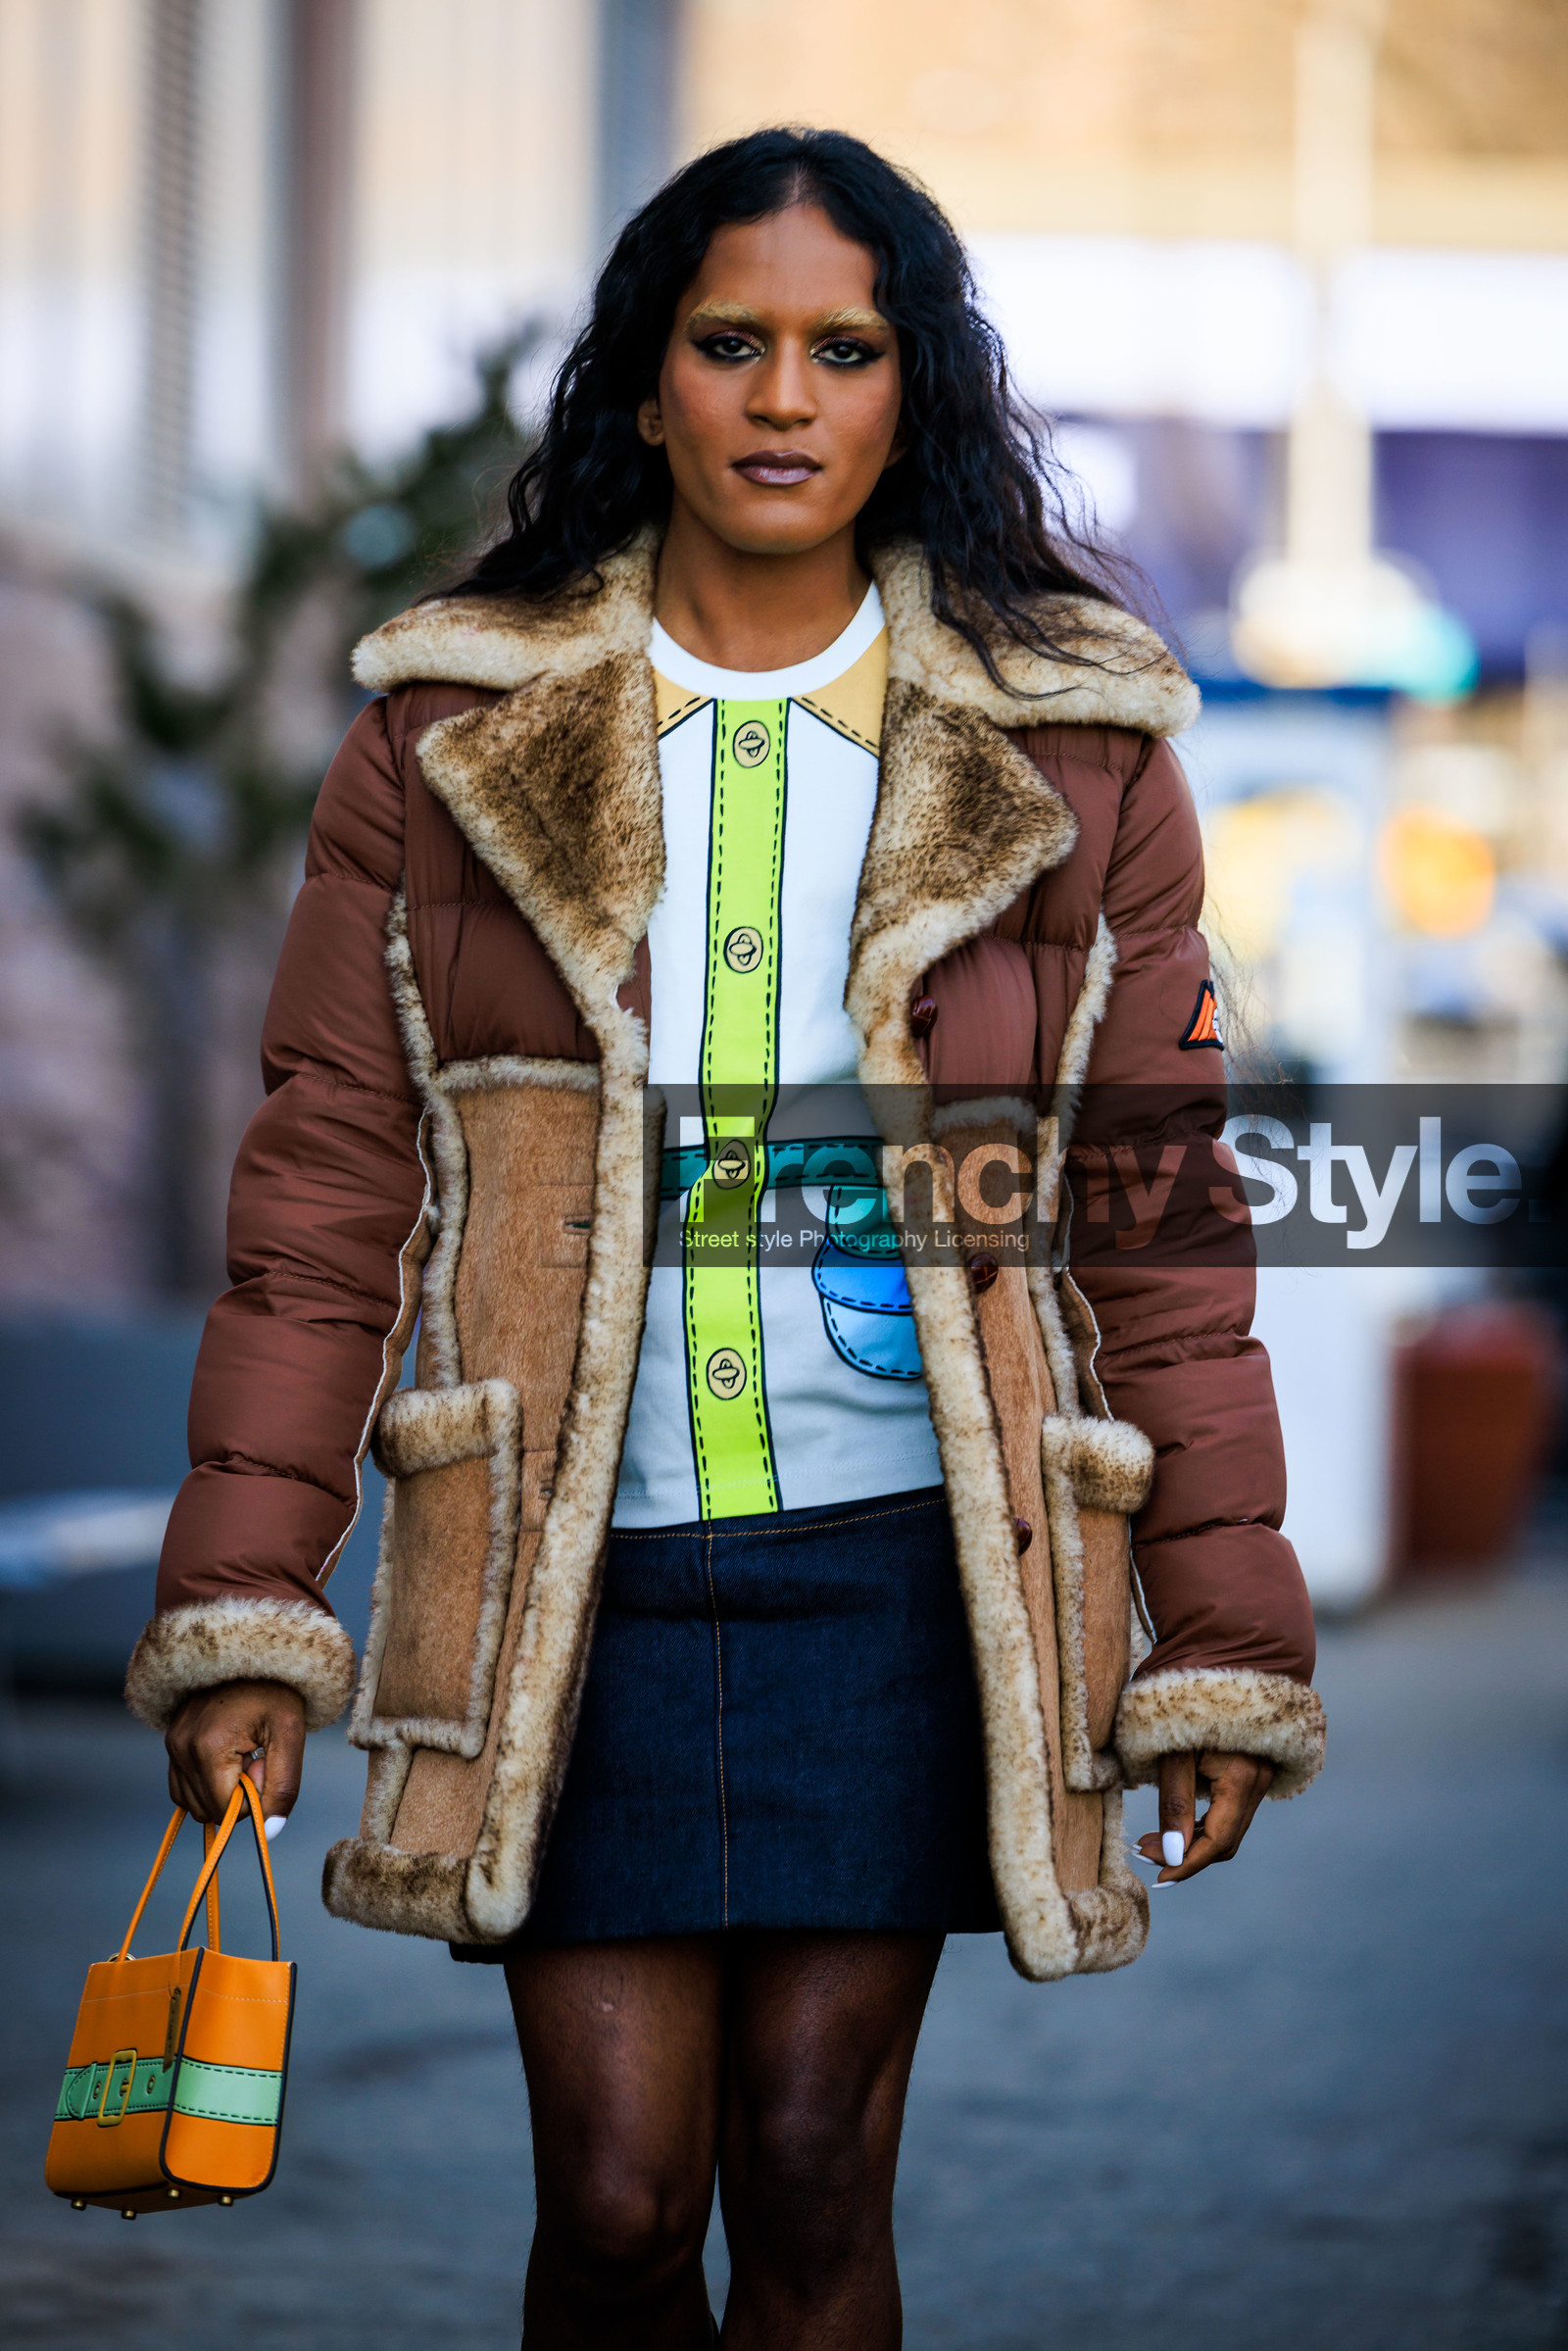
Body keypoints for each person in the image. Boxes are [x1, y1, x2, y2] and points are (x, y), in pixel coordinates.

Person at [127, 128, 1323, 2350]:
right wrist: (244, 1599)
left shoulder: (1069, 751)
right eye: (732, 343)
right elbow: (323, 1197)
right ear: (647, 380)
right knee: (607, 2195)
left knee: (799, 2167)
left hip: (903, 1569)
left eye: (841, 350)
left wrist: (1216, 1631)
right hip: (567, 1569)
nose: (784, 398)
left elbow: (1152, 1215)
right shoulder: (453, 736)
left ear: (912, 392)